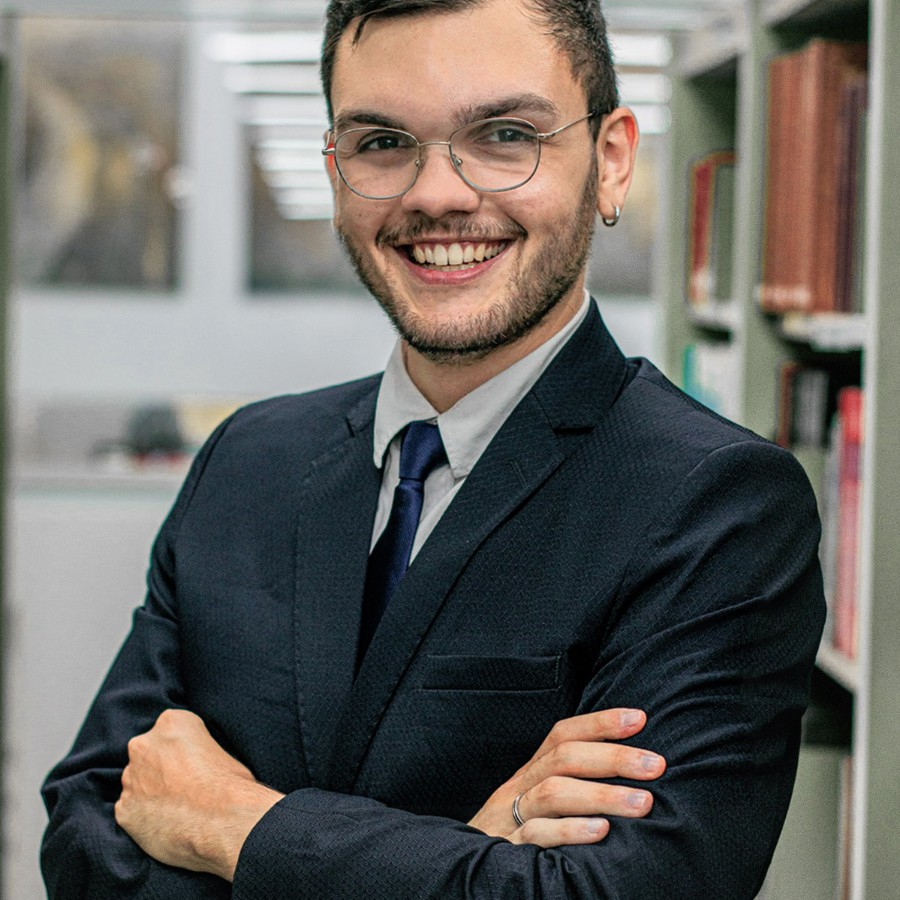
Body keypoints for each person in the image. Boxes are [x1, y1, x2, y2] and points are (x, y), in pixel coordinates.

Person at [40, 0, 825, 897]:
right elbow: (84, 839)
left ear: (611, 161)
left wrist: (233, 824)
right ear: (335, 172)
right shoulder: (247, 462)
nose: (437, 195)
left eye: (504, 135)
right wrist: (470, 859)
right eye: (382, 143)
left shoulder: (718, 504)